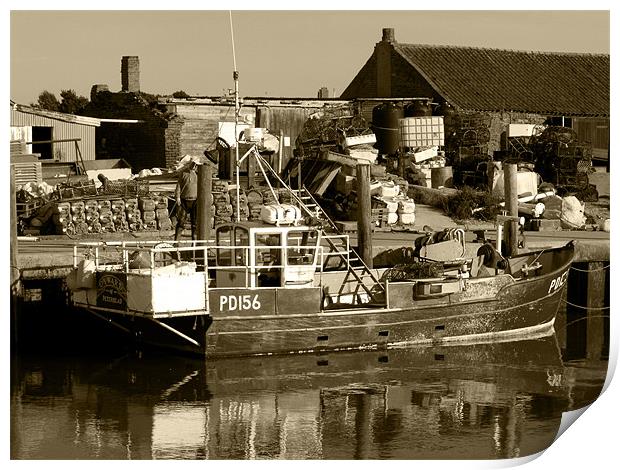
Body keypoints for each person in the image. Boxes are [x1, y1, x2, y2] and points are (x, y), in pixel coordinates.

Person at [174, 161, 198, 240]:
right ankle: (176, 242)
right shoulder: (183, 173)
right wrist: (177, 197)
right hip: (184, 200)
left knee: (195, 223)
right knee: (181, 222)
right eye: (193, 164)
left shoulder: (199, 174)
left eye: (195, 165)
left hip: (195, 201)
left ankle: (194, 243)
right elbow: (179, 185)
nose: (194, 166)